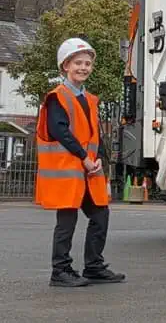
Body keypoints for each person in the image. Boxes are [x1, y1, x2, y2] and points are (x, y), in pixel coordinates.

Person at [35, 37, 126, 287]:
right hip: (68, 171)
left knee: (100, 215)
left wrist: (99, 162)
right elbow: (60, 131)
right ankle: (60, 271)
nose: (83, 67)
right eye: (78, 63)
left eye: (87, 63)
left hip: (88, 170)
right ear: (65, 65)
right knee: (67, 221)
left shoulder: (90, 99)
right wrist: (85, 158)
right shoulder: (57, 97)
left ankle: (94, 267)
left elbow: (95, 135)